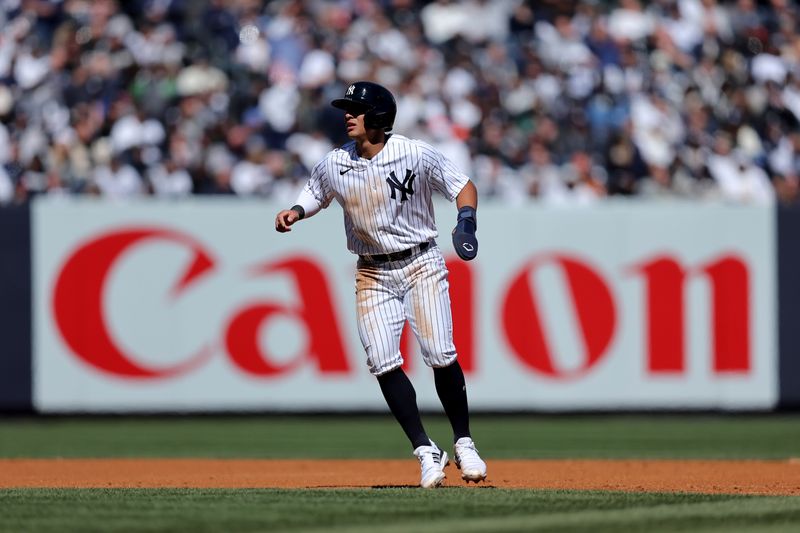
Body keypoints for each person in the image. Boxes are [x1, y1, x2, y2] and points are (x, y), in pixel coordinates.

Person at [275, 81, 486, 488]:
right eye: (347, 109)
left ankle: (464, 442)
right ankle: (425, 450)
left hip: (420, 260)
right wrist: (297, 211)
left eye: (356, 109)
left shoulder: (414, 152)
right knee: (382, 361)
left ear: (379, 117)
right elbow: (317, 190)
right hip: (372, 271)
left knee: (440, 352)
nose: (347, 115)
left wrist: (466, 222)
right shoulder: (336, 161)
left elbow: (463, 186)